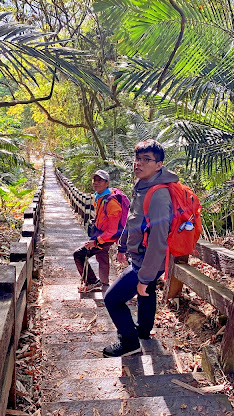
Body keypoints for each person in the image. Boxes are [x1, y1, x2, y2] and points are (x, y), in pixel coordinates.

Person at [103, 139, 178, 358]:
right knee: (147, 293)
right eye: (137, 158)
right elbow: (134, 219)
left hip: (147, 260)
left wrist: (145, 277)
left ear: (159, 165)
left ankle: (130, 343)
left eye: (147, 159)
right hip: (143, 256)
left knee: (112, 299)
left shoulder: (159, 195)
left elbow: (158, 240)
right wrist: (123, 244)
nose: (139, 163)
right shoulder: (143, 186)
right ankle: (143, 331)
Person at [73, 169, 122, 293]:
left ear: (107, 183)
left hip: (106, 237)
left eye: (100, 180)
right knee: (102, 257)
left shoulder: (111, 202)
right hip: (100, 233)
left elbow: (113, 230)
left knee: (79, 254)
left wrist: (96, 242)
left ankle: (92, 282)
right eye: (94, 179)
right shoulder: (98, 196)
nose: (96, 182)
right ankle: (104, 284)